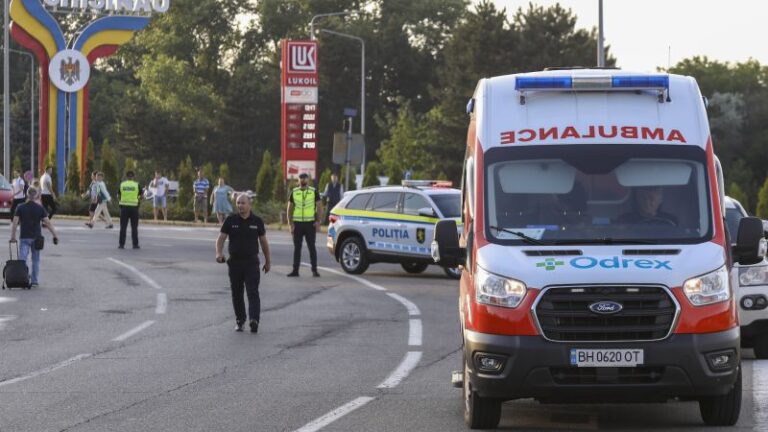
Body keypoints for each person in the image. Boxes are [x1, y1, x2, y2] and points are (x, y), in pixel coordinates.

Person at [215, 193, 272, 333]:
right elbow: (220, 239)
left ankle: (254, 320)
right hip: (234, 262)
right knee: (237, 293)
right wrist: (219, 253)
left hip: (251, 262)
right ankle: (240, 320)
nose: (240, 205)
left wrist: (268, 261)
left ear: (249, 204)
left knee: (252, 291)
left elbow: (264, 243)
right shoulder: (230, 220)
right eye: (238, 203)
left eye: (243, 203)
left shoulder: (257, 221)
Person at [10, 187, 59, 287]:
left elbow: (15, 223)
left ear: (27, 195)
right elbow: (48, 223)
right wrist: (55, 235)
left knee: (22, 259)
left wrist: (13, 237)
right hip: (37, 238)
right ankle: (34, 281)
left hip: (24, 237)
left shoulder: (20, 207)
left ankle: (22, 279)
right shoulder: (40, 208)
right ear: (36, 195)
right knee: (35, 260)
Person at [287, 173, 322, 277]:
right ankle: (295, 271)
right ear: (298, 180)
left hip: (310, 224)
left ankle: (314, 270)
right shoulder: (294, 192)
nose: (303, 180)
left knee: (312, 247)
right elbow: (289, 209)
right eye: (301, 179)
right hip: (297, 224)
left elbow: (320, 207)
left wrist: (318, 221)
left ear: (308, 180)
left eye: (305, 179)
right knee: (297, 248)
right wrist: (290, 224)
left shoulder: (313, 191)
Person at [117, 171, 144, 249]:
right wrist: (137, 199)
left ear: (126, 177)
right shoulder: (137, 185)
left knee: (123, 227)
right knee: (134, 228)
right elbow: (141, 196)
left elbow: (118, 195)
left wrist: (121, 202)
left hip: (124, 208)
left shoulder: (122, 184)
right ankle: (135, 245)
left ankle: (121, 244)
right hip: (134, 208)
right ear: (133, 177)